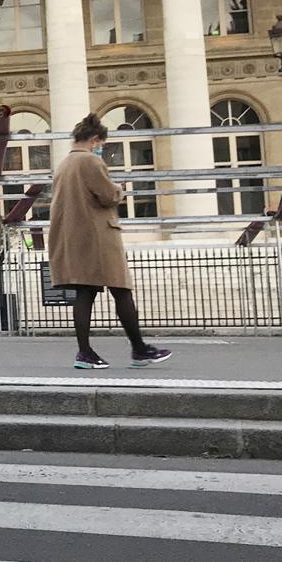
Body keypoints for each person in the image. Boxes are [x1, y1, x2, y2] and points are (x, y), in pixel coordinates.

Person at [49, 113, 172, 370]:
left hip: (75, 237)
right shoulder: (90, 162)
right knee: (121, 290)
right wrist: (120, 189)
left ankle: (84, 352)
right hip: (99, 236)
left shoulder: (64, 164)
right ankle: (139, 349)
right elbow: (106, 196)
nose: (101, 148)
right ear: (95, 140)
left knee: (84, 292)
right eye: (101, 143)